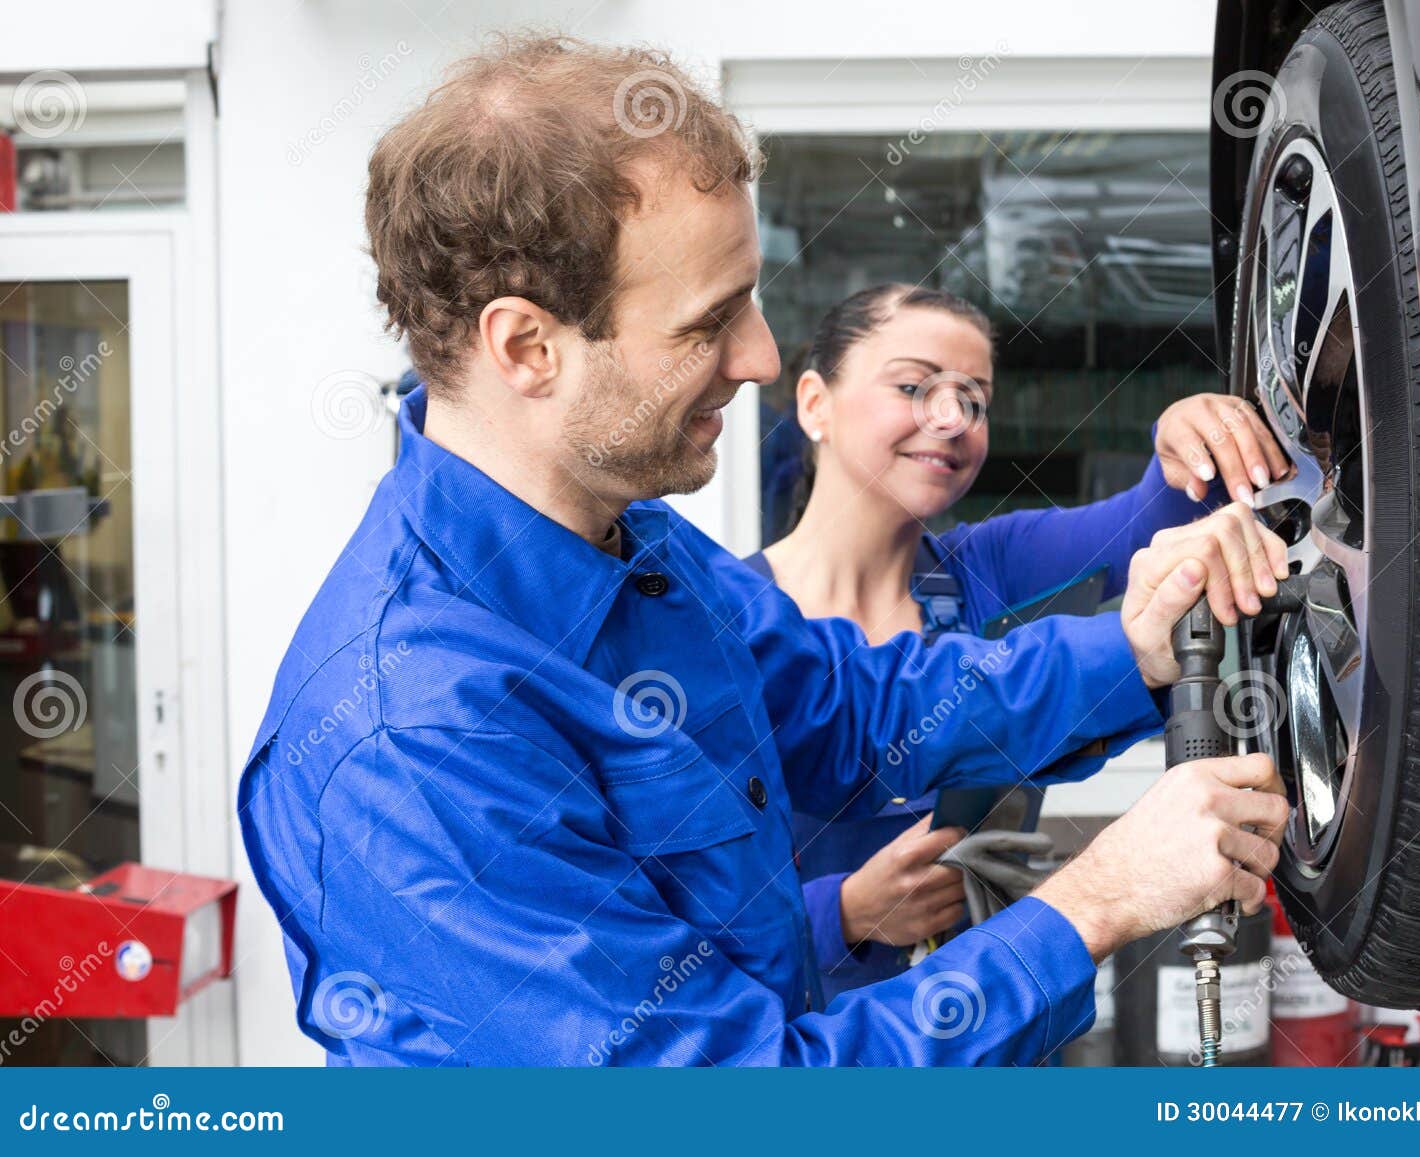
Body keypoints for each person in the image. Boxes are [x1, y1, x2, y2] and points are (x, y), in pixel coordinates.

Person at [237, 33, 1291, 1066]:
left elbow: (856, 710)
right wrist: (1091, 904)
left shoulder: (630, 543)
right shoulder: (413, 735)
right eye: (708, 323)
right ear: (526, 345)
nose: (762, 357)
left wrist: (1136, 651)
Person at [748, 284, 1290, 1001]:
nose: (951, 418)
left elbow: (1157, 520)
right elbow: (666, 910)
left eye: (973, 399)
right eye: (913, 386)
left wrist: (1185, 432)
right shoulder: (730, 623)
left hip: (998, 1010)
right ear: (815, 403)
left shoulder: (989, 569)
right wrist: (841, 913)